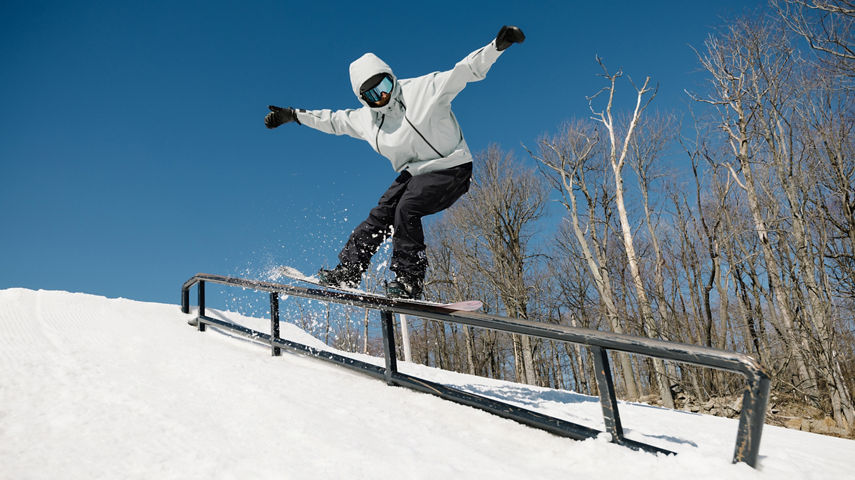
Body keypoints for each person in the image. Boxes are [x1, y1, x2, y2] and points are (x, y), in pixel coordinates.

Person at [265, 25, 525, 299]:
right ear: (363, 99)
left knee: (407, 208)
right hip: (414, 173)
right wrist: (294, 115)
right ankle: (348, 272)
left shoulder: (425, 89)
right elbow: (333, 120)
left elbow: (465, 70)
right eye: (374, 96)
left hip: (452, 168)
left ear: (393, 78)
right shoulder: (365, 120)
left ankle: (410, 280)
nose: (384, 97)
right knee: (381, 215)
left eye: (386, 86)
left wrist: (497, 46)